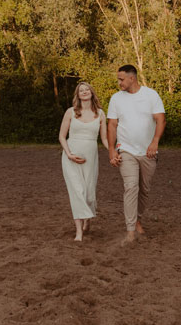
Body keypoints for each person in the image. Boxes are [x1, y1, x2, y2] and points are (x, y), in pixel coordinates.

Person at [107, 64, 166, 243]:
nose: (119, 82)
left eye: (121, 79)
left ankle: (138, 218)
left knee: (144, 189)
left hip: (148, 152)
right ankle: (130, 229)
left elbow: (160, 120)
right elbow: (112, 124)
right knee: (131, 186)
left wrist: (155, 141)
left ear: (132, 78)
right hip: (126, 150)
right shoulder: (116, 99)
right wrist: (111, 150)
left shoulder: (151, 95)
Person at [57, 81, 108, 242]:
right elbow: (61, 137)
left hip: (90, 158)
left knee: (89, 194)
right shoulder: (71, 112)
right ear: (78, 95)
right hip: (71, 158)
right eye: (81, 90)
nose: (84, 92)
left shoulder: (100, 114)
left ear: (92, 93)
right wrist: (69, 154)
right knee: (77, 192)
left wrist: (113, 151)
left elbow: (105, 139)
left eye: (87, 90)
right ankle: (78, 232)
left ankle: (88, 220)